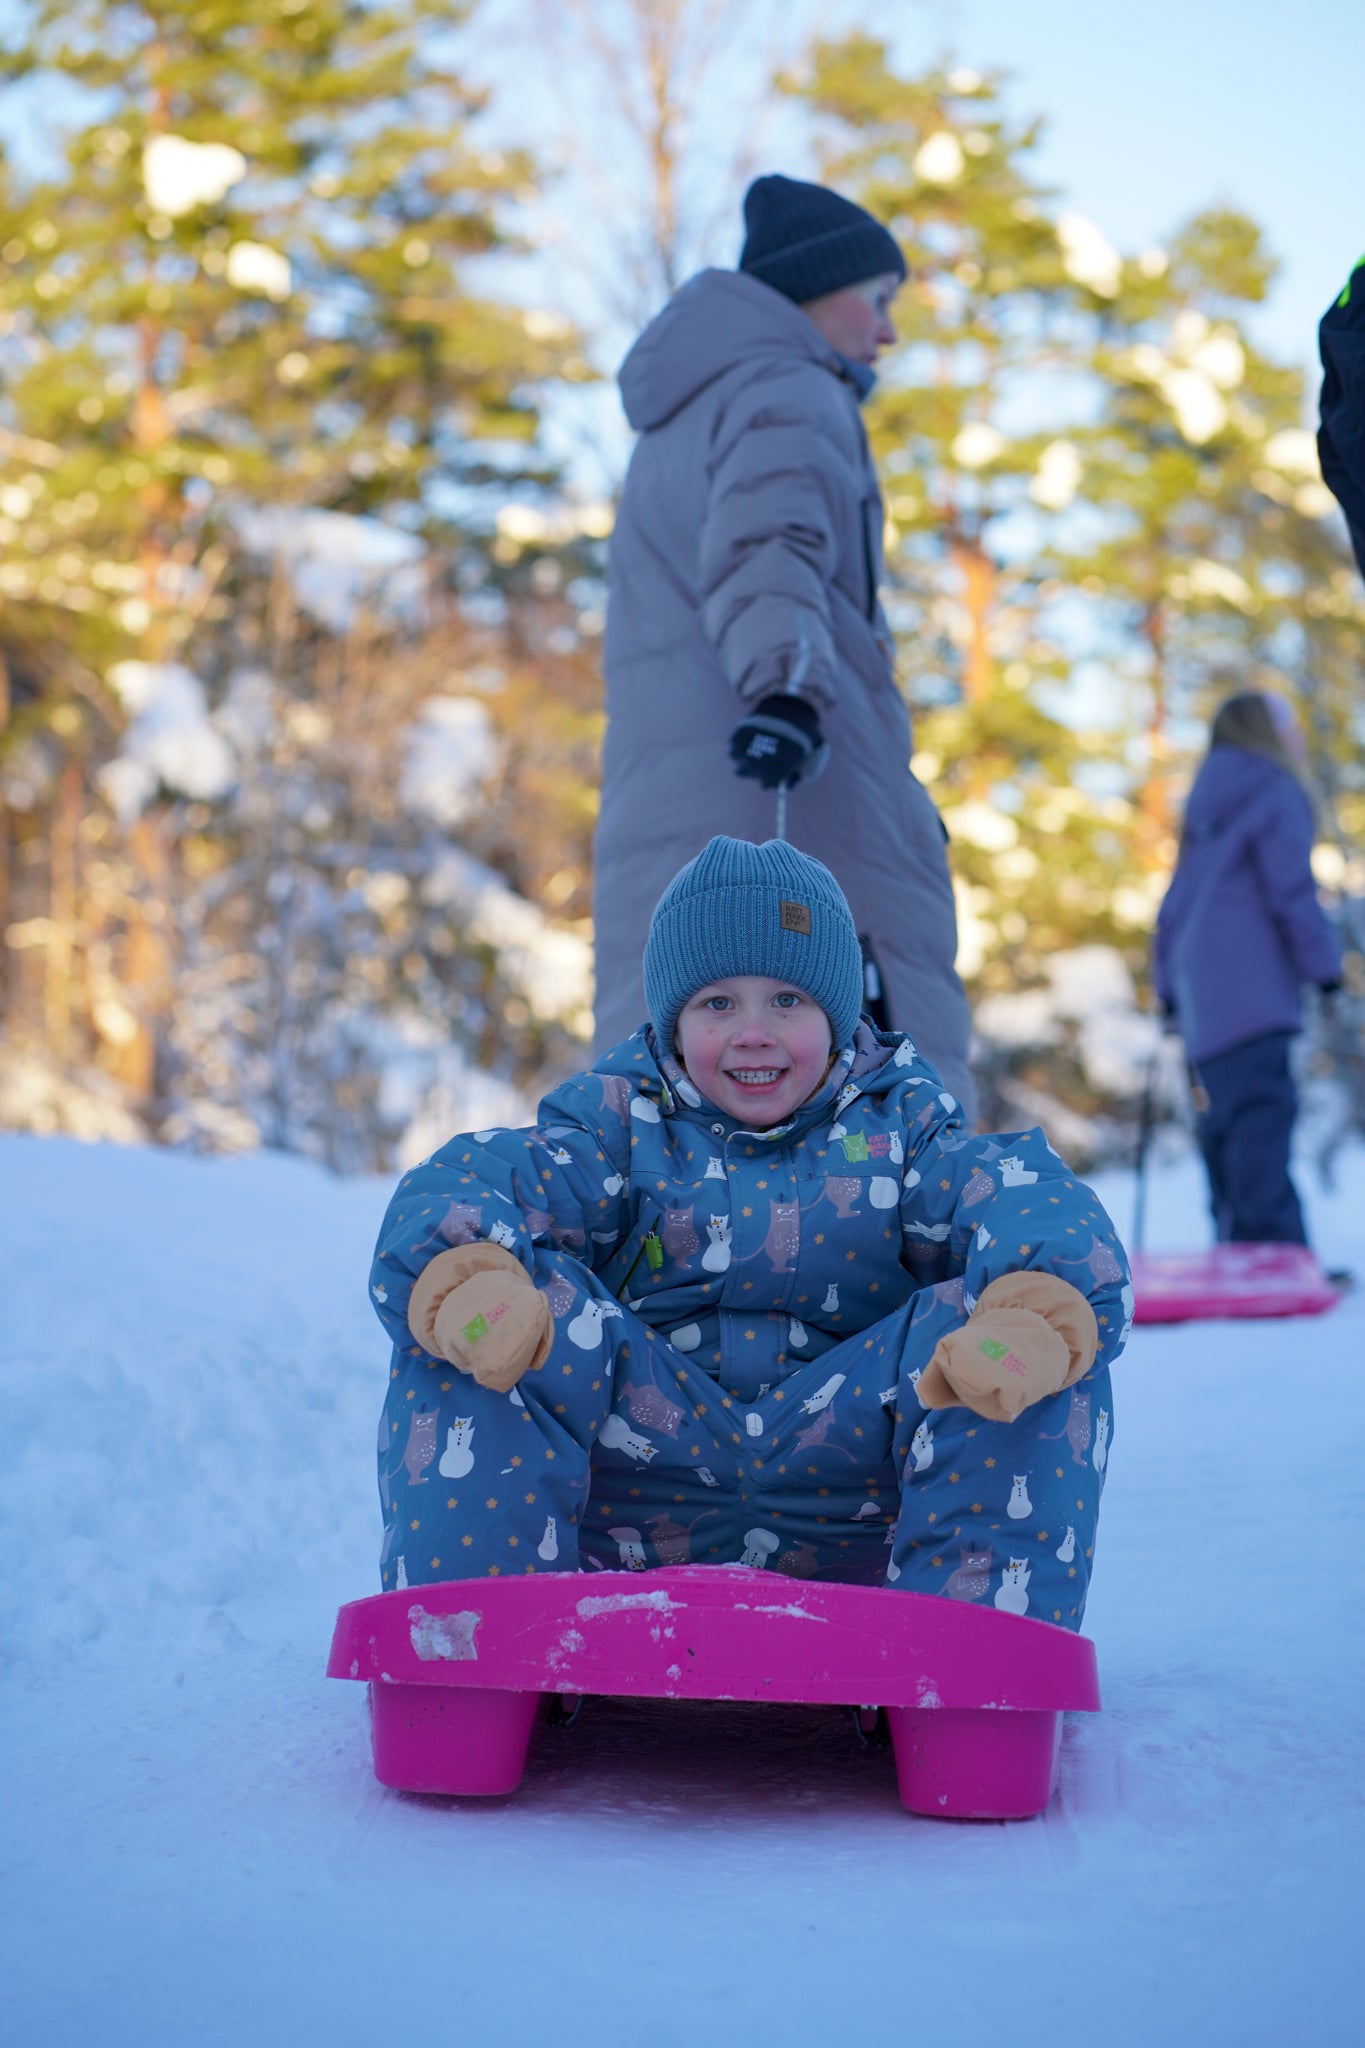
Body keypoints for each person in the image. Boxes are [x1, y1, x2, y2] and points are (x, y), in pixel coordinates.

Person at [371, 837, 1128, 1630]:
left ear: (838, 1017)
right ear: (673, 1022)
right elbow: (475, 1181)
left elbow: (1019, 1193)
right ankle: (468, 1636)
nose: (753, 1031)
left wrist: (1037, 1299)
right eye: (717, 1004)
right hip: (642, 1480)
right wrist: (466, 1273)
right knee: (490, 1314)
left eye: (787, 1001)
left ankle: (977, 1649)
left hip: (849, 1486)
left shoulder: (901, 1133)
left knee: (1018, 1334)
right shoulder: (615, 1128)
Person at [595, 172, 975, 1121]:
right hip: (784, 785)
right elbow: (769, 544)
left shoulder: (688, 409)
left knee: (681, 1068)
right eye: (876, 299)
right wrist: (789, 691)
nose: (887, 330)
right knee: (850, 1077)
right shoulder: (786, 385)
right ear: (814, 290)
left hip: (683, 787)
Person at [1154, 692, 1344, 1245]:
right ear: (1266, 730)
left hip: (1202, 1000)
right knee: (1261, 1125)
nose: (1297, 735)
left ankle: (1239, 1255)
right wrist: (1326, 972)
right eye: (1289, 724)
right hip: (1254, 993)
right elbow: (1292, 890)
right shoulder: (1273, 789)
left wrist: (1168, 991)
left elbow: (1174, 906)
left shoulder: (1204, 804)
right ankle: (1275, 1262)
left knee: (1228, 1132)